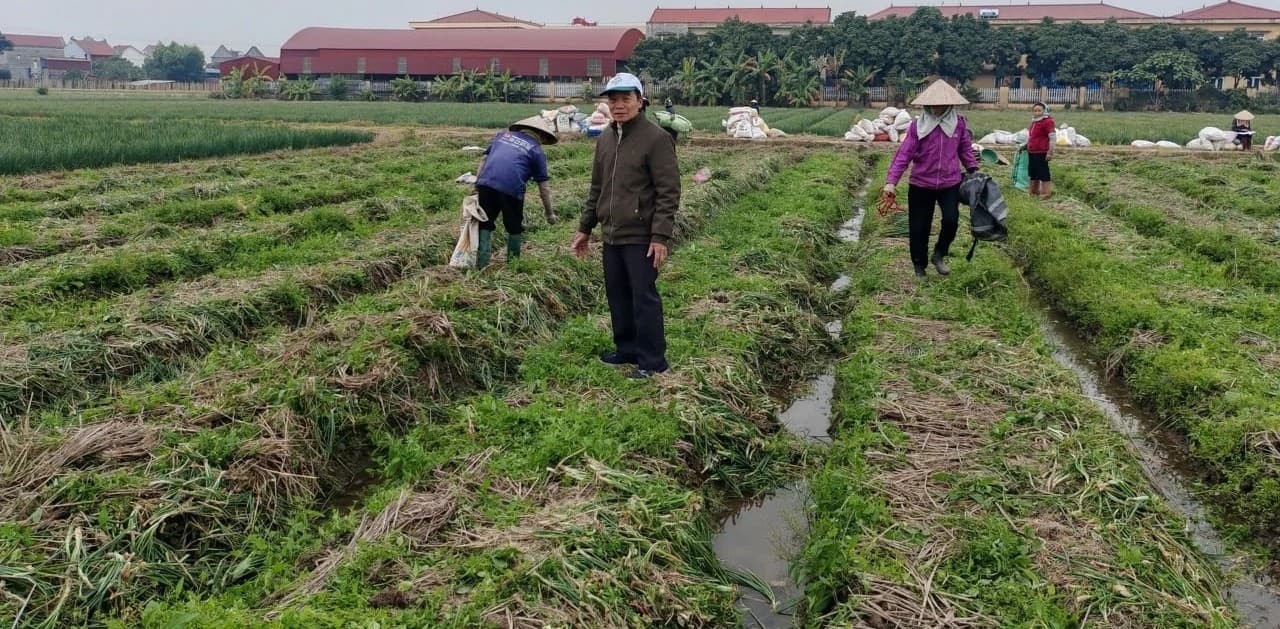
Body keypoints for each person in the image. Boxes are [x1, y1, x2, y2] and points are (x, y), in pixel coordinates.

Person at [571, 73, 680, 379]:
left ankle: (653, 362)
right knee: (618, 296)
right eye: (613, 99)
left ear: (640, 101)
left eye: (625, 99)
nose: (618, 105)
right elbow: (597, 188)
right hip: (611, 233)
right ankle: (627, 350)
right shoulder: (606, 138)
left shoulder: (656, 139)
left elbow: (669, 192)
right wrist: (585, 228)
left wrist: (660, 236)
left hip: (641, 234)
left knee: (643, 297)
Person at [883, 79, 980, 278]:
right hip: (921, 183)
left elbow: (964, 149)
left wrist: (973, 169)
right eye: (932, 105)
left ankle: (939, 254)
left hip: (950, 182)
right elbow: (904, 154)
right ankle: (919, 265)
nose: (936, 109)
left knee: (951, 220)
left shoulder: (958, 124)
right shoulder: (918, 126)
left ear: (949, 105)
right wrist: (891, 181)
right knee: (919, 227)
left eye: (940, 105)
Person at [473, 116, 558, 268]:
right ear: (541, 135)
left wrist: (476, 184)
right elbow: (544, 188)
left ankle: (482, 264)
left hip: (486, 183)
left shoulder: (502, 136)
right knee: (514, 226)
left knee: (485, 223)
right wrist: (549, 214)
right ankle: (513, 265)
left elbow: (483, 161)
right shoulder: (537, 151)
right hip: (511, 189)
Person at [1026, 102, 1055, 200]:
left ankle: (1046, 193)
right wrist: (1026, 145)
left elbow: (1052, 138)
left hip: (1041, 151)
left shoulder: (1048, 122)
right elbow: (1032, 137)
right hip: (1032, 151)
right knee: (1033, 172)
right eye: (1035, 110)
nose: (1037, 112)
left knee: (1043, 172)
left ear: (1044, 111)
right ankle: (1034, 191)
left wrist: (1050, 152)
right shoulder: (1034, 122)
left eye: (1039, 110)